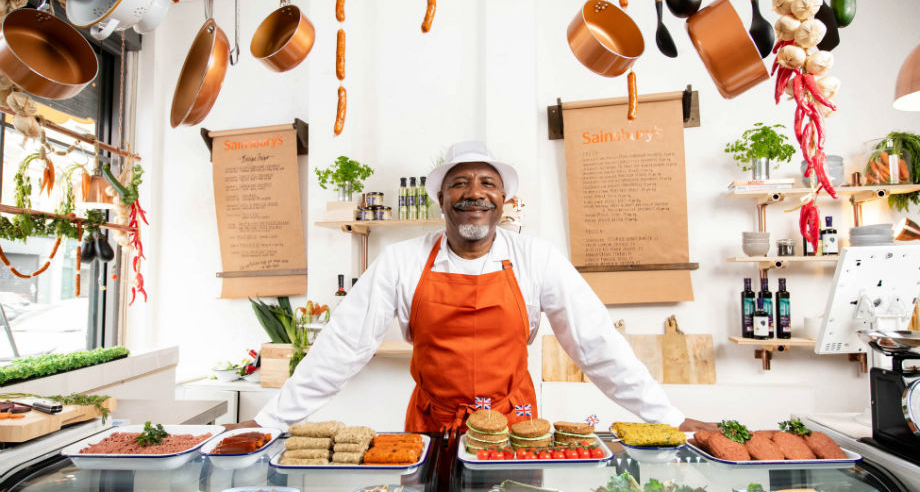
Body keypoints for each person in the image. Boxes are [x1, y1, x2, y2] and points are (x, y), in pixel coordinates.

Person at [234, 141, 711, 433]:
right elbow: (341, 348)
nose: (474, 193)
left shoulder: (536, 259)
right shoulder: (401, 262)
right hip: (430, 429)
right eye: (459, 183)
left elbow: (597, 344)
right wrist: (269, 421)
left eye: (488, 182)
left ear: (504, 198)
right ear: (441, 198)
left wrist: (667, 417)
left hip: (516, 430)